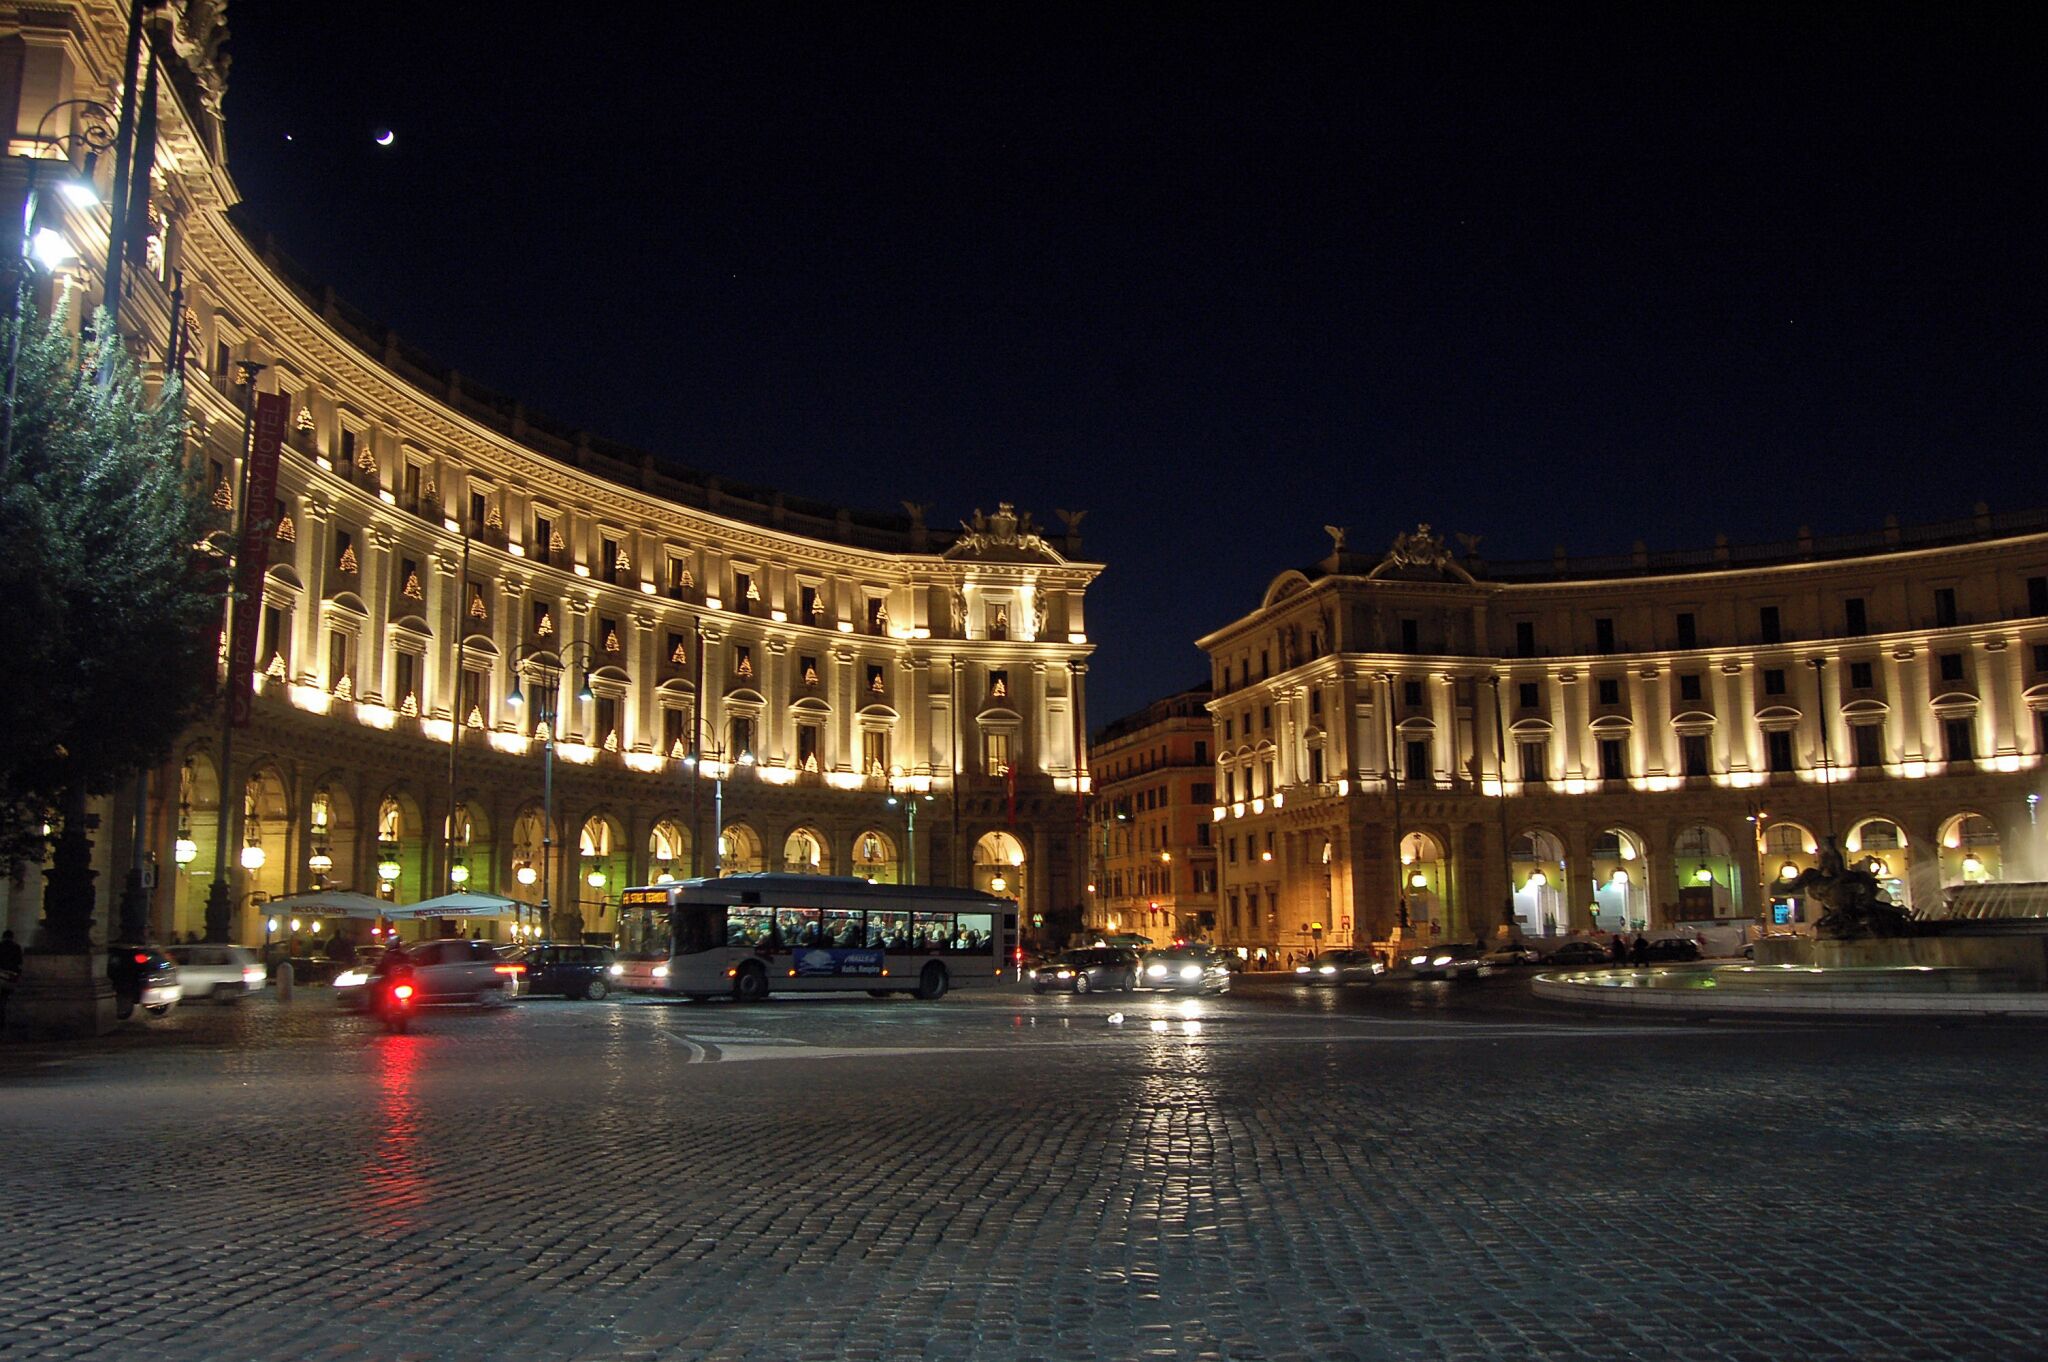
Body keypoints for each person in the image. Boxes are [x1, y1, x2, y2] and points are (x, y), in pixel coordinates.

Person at [0, 929, 23, 1030]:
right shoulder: (16, 947)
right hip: (10, 977)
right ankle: (2, 1019)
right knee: (4, 998)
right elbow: (19, 962)